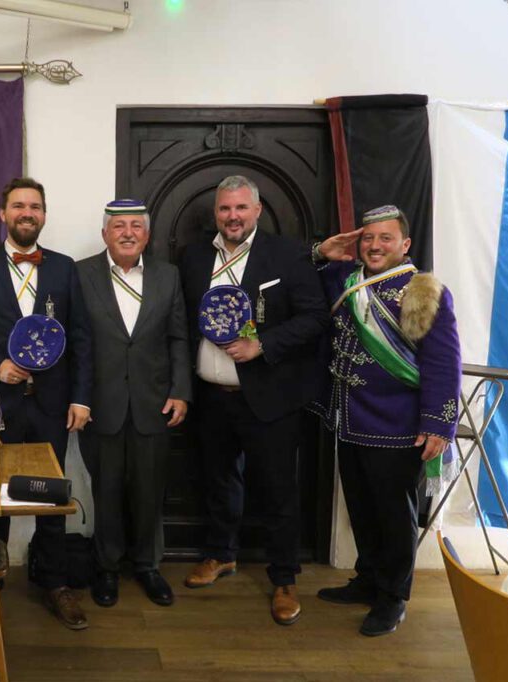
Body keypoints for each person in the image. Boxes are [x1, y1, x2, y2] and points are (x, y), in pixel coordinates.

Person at [0, 177, 93, 631]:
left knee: (51, 496)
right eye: (18, 206)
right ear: (3, 214)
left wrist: (81, 398)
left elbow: (82, 338)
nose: (27, 213)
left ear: (44, 214)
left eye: (35, 206)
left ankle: (55, 583)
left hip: (52, 404)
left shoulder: (65, 268)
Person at [180, 175, 328, 625]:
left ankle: (284, 578)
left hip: (269, 397)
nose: (233, 216)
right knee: (218, 480)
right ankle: (221, 554)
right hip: (210, 396)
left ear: (257, 211)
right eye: (225, 209)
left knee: (278, 490)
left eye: (241, 208)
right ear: (216, 213)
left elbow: (315, 318)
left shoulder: (287, 255)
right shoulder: (193, 257)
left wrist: (262, 344)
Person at [312, 205, 460, 636]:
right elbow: (310, 280)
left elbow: (443, 362)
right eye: (368, 238)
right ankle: (368, 580)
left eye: (385, 238)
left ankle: (393, 596)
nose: (375, 246)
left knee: (394, 515)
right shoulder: (347, 279)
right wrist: (320, 253)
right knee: (361, 507)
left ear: (405, 244)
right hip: (349, 416)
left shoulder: (422, 290)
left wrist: (438, 424)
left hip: (397, 424)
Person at [76, 199, 190, 608]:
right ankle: (107, 567)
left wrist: (181, 390)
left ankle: (147, 565)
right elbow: (75, 341)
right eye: (119, 226)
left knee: (149, 491)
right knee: (105, 490)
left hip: (153, 403)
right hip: (99, 405)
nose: (127, 233)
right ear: (104, 233)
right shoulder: (80, 274)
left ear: (147, 234)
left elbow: (178, 337)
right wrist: (78, 398)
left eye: (136, 226)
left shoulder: (168, 276)